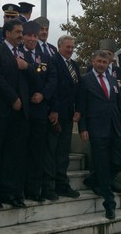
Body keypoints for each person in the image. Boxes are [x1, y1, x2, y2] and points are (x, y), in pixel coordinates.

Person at [0, 19, 31, 209]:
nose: (21, 35)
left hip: (20, 114)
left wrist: (27, 66)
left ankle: (10, 192)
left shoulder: (23, 53)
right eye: (18, 32)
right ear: (7, 33)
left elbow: (32, 77)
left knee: (14, 155)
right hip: (2, 111)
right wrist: (13, 98)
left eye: (22, 32)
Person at [79, 50, 121, 220]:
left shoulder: (113, 80)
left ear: (109, 64)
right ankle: (109, 204)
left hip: (115, 128)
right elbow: (82, 106)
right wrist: (82, 128)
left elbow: (120, 104)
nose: (101, 64)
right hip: (96, 128)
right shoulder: (85, 80)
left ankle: (94, 179)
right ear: (92, 61)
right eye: (99, 61)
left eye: (104, 62)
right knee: (101, 164)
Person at [20, 21, 57, 202]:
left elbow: (52, 80)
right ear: (23, 36)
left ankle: (34, 191)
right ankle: (19, 190)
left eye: (35, 36)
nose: (32, 39)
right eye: (29, 35)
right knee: (20, 152)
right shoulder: (17, 54)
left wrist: (43, 95)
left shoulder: (45, 57)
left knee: (37, 152)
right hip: (21, 111)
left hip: (39, 111)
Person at [42, 35, 81, 200]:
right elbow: (53, 87)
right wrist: (54, 110)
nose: (70, 50)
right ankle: (48, 187)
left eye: (72, 47)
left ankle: (62, 184)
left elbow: (78, 89)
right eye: (68, 47)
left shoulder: (74, 65)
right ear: (59, 47)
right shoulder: (53, 61)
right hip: (55, 114)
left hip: (68, 114)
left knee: (63, 152)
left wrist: (78, 110)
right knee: (51, 151)